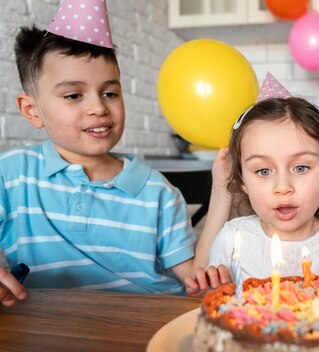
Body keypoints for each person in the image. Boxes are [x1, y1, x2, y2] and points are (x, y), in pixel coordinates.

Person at [0, 0, 221, 307]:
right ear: (31, 110)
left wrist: (222, 189)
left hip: (142, 328)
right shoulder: (10, 174)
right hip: (44, 335)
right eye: (74, 95)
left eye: (110, 93)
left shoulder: (158, 192)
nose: (99, 108)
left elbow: (196, 282)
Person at [198, 95, 319, 298]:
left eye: (301, 167)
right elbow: (214, 304)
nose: (283, 187)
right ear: (243, 181)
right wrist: (209, 295)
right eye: (263, 171)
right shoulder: (231, 241)